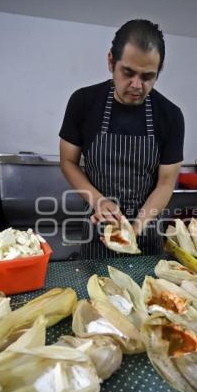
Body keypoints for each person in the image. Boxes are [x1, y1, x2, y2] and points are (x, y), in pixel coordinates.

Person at [59, 19, 184, 258]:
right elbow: (68, 161)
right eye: (128, 72)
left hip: (145, 233)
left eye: (148, 76)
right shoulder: (83, 102)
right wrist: (97, 201)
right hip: (96, 228)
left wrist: (134, 229)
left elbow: (166, 183)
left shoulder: (171, 116)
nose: (137, 85)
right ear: (111, 61)